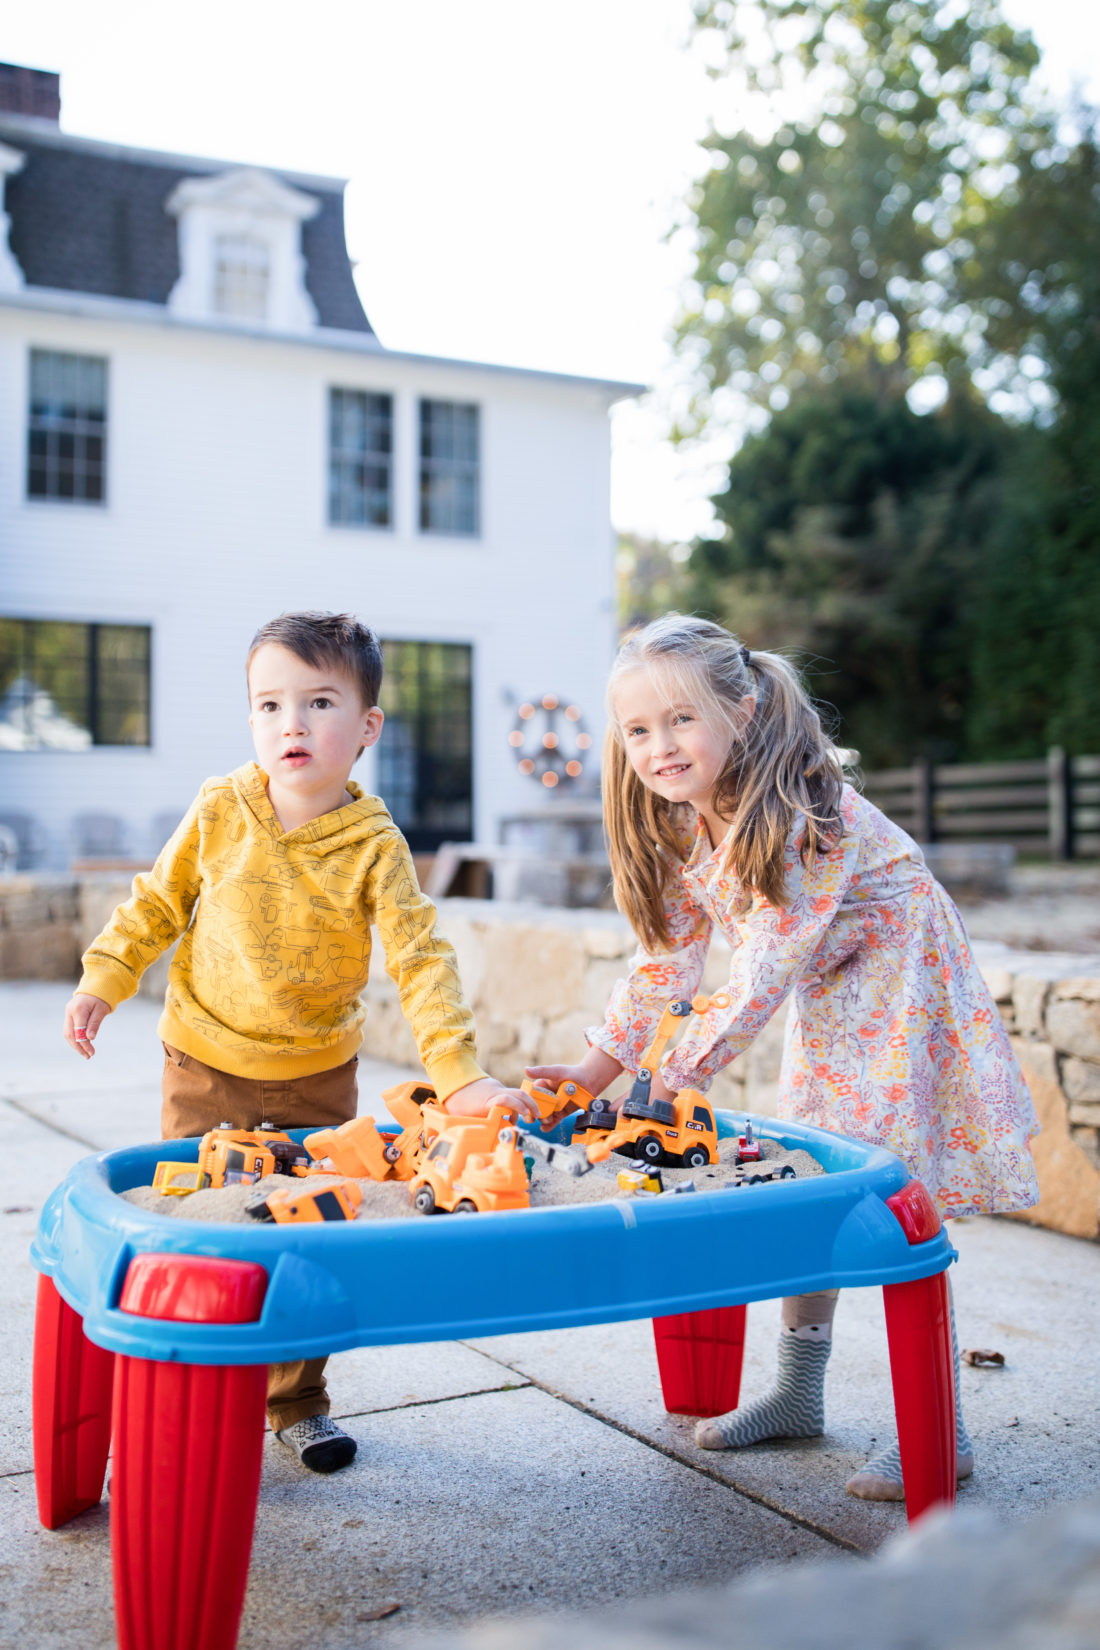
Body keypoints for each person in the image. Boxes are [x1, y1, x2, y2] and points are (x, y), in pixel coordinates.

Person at [526, 613, 1039, 1501]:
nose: (660, 746)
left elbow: (759, 974)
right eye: (639, 730)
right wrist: (595, 1075)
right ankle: (800, 1395)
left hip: (905, 990)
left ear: (746, 706)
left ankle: (941, 1428)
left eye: (681, 719)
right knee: (810, 1187)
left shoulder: (804, 814)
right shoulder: (688, 820)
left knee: (889, 1198)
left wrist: (668, 1081)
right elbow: (666, 962)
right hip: (835, 995)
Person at [63, 610, 533, 1475]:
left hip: (317, 1077)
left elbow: (421, 959)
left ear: (366, 728)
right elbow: (155, 905)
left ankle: (298, 1402)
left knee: (306, 1229)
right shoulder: (219, 809)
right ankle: (195, 1382)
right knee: (203, 1221)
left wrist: (456, 1074)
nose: (294, 724)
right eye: (271, 705)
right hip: (203, 1060)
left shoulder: (375, 843)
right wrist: (105, 978)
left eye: (320, 702)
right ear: (251, 720)